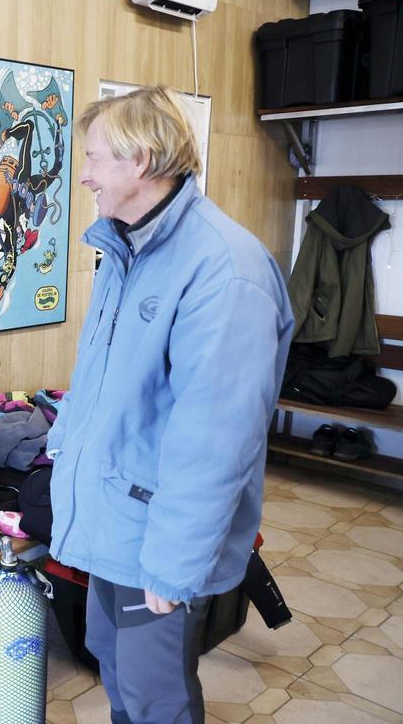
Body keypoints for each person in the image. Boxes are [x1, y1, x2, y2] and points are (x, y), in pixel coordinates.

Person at [45, 86, 293, 723]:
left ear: (143, 160)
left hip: (155, 533)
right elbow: (97, 376)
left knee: (156, 691)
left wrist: (173, 565)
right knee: (110, 654)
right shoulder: (123, 247)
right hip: (111, 514)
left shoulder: (225, 270)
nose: (85, 176)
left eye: (95, 158)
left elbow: (217, 440)